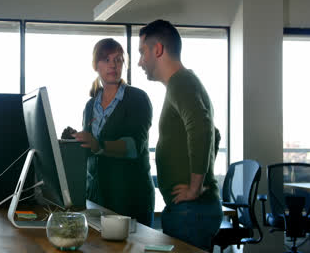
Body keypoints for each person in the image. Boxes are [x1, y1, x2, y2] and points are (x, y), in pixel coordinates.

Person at [137, 19, 222, 250]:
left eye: (142, 52)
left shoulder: (181, 82)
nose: (139, 62)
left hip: (191, 211)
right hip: (189, 210)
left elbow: (203, 129)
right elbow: (214, 134)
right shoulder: (183, 83)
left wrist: (195, 187)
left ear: (158, 49)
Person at [72, 38, 155, 227]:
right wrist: (74, 142)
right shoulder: (90, 105)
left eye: (118, 60)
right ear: (96, 65)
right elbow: (89, 149)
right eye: (106, 59)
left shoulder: (137, 99)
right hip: (97, 198)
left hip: (130, 199)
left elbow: (134, 146)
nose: (113, 65)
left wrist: (98, 145)